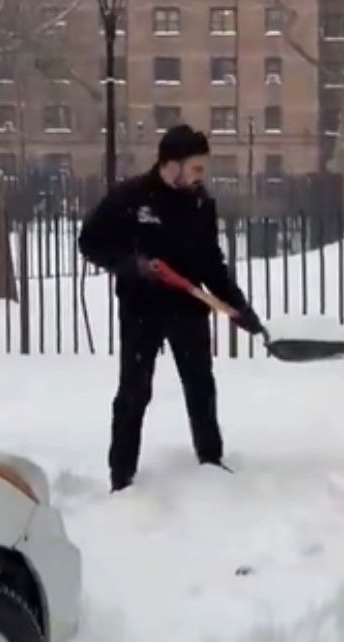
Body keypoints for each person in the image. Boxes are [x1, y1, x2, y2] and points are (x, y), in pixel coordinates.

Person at [77, 124, 264, 492]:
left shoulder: (200, 203)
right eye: (195, 169)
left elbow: (211, 261)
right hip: (140, 308)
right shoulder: (129, 197)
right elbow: (90, 242)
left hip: (188, 310)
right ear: (171, 165)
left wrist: (238, 306)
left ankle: (210, 461)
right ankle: (122, 477)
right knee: (134, 391)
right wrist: (132, 265)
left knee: (200, 386)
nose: (200, 177)